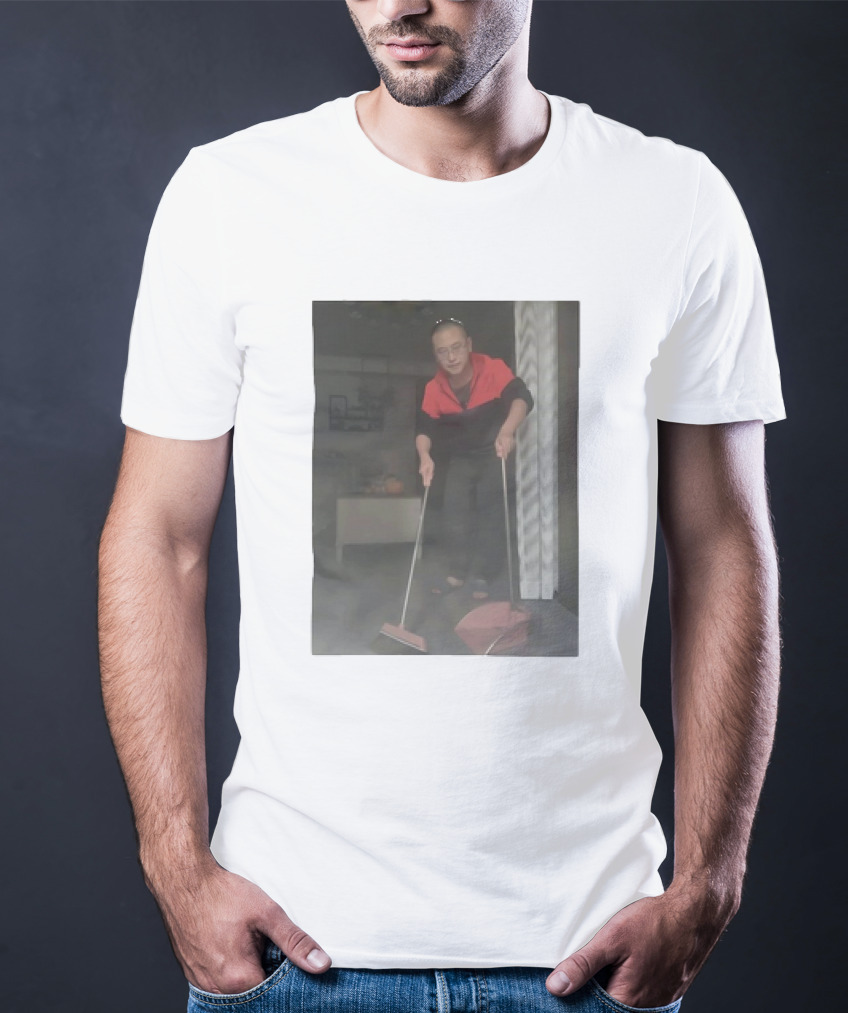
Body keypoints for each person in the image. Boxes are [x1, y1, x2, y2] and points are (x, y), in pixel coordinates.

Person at [97, 1, 787, 1010]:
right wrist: (176, 863)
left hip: (585, 953)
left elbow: (724, 544)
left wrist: (711, 877)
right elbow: (158, 541)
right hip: (298, 953)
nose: (401, 3)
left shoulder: (673, 203)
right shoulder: (231, 197)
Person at [415, 317, 534, 600]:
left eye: (456, 347)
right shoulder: (434, 387)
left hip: (493, 452)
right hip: (461, 458)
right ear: (436, 354)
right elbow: (424, 428)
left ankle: (483, 574)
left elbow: (522, 398)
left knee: (490, 513)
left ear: (469, 345)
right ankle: (457, 574)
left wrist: (507, 431)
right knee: (454, 514)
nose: (451, 357)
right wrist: (424, 455)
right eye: (443, 351)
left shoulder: (492, 368)